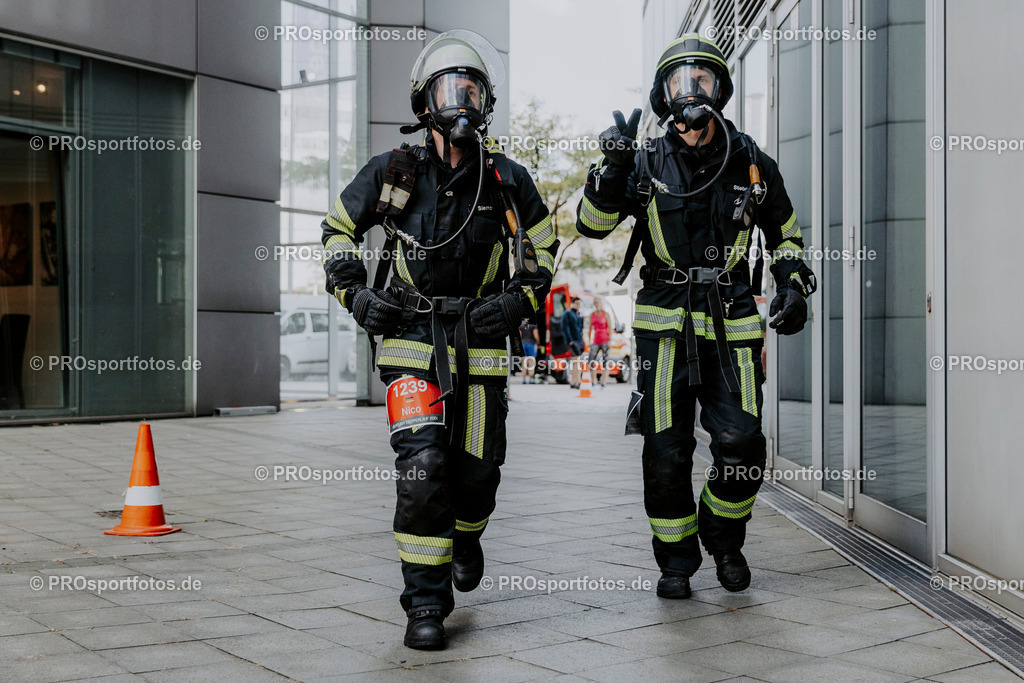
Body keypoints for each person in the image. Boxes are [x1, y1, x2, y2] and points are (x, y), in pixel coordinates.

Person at [321, 29, 557, 650]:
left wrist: (517, 302)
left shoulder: (507, 180)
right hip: (410, 343)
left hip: (480, 344)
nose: (460, 102)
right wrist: (355, 294)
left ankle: (468, 534)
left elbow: (544, 251)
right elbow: (337, 231)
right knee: (422, 469)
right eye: (449, 90)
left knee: (477, 473)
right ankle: (425, 602)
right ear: (424, 103)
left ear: (486, 102)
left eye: (471, 91)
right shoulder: (393, 171)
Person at [575, 34, 816, 600]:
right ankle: (676, 561)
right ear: (663, 94)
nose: (691, 89)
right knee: (666, 450)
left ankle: (724, 539)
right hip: (664, 328)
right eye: (680, 80)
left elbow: (787, 235)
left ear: (720, 90)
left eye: (702, 79)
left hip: (732, 324)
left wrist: (793, 284)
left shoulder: (751, 161)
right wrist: (610, 168)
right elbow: (591, 224)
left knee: (743, 443)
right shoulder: (642, 161)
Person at [586, 298, 612, 389]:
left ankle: (603, 383)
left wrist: (609, 340)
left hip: (605, 340)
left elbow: (610, 327)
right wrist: (589, 341)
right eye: (595, 303)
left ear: (601, 303)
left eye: (597, 302)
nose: (596, 304)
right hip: (595, 341)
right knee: (591, 361)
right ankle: (594, 382)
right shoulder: (592, 315)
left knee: (605, 361)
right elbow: (590, 328)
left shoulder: (606, 314)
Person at [561, 296, 585, 388]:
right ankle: (576, 381)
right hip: (572, 341)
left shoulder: (578, 314)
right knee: (576, 361)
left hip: (579, 341)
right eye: (577, 303)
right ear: (573, 303)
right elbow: (565, 327)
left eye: (579, 304)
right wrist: (570, 340)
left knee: (576, 361)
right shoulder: (568, 313)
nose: (578, 305)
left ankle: (574, 381)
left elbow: (580, 329)